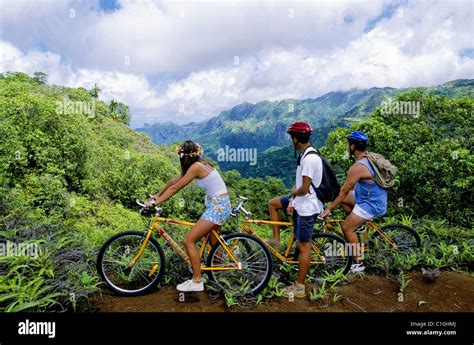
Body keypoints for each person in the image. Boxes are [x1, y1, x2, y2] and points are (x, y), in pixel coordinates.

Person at [145, 140, 231, 292]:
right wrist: (156, 195)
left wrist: (156, 203)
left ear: (184, 156)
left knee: (188, 240)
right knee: (214, 242)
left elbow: (175, 188)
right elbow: (173, 181)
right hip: (219, 205)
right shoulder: (200, 164)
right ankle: (220, 276)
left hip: (217, 207)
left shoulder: (196, 167)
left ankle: (197, 281)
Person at [319, 131, 388, 272]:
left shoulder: (357, 167)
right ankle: (359, 225)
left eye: (349, 144)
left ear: (352, 146)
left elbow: (343, 191)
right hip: (366, 196)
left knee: (346, 227)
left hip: (371, 203)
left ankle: (358, 262)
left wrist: (329, 209)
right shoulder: (369, 157)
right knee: (342, 199)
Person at [281, 121, 323, 298]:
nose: (291, 140)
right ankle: (291, 262)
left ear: (296, 139)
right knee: (275, 203)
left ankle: (299, 287)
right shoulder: (306, 155)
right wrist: (292, 200)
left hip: (307, 209)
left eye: (291, 137)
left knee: (305, 246)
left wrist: (293, 193)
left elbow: (304, 189)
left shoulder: (309, 158)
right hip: (302, 205)